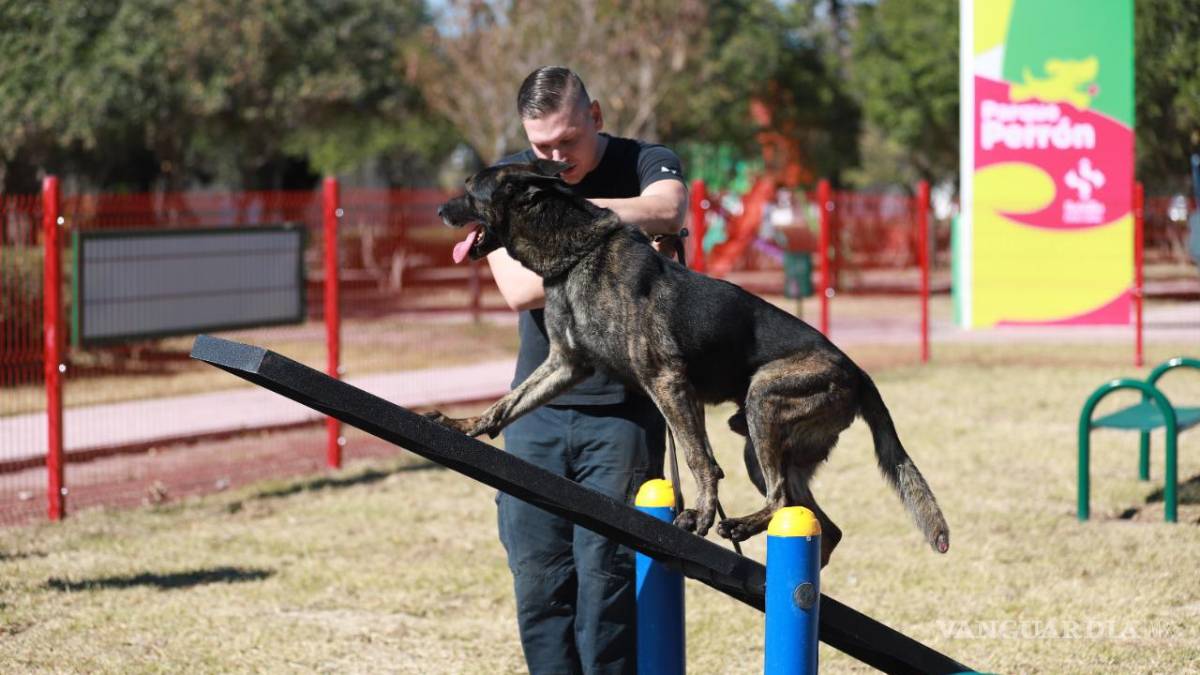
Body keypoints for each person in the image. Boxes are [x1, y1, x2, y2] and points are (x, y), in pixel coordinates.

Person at [488, 66, 687, 675]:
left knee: (608, 583)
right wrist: (620, 242)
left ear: (595, 116)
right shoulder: (505, 181)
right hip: (535, 414)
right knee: (539, 584)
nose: (554, 158)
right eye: (541, 146)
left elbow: (668, 207)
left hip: (624, 417)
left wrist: (569, 216)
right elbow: (521, 289)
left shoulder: (646, 160)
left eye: (567, 142)